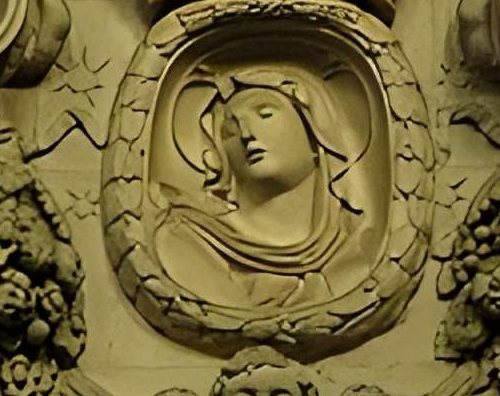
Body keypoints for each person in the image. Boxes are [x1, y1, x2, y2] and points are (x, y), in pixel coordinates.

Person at [154, 62, 368, 307]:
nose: (247, 134)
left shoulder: (355, 239)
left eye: (265, 115)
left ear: (314, 132)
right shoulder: (189, 242)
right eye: (229, 131)